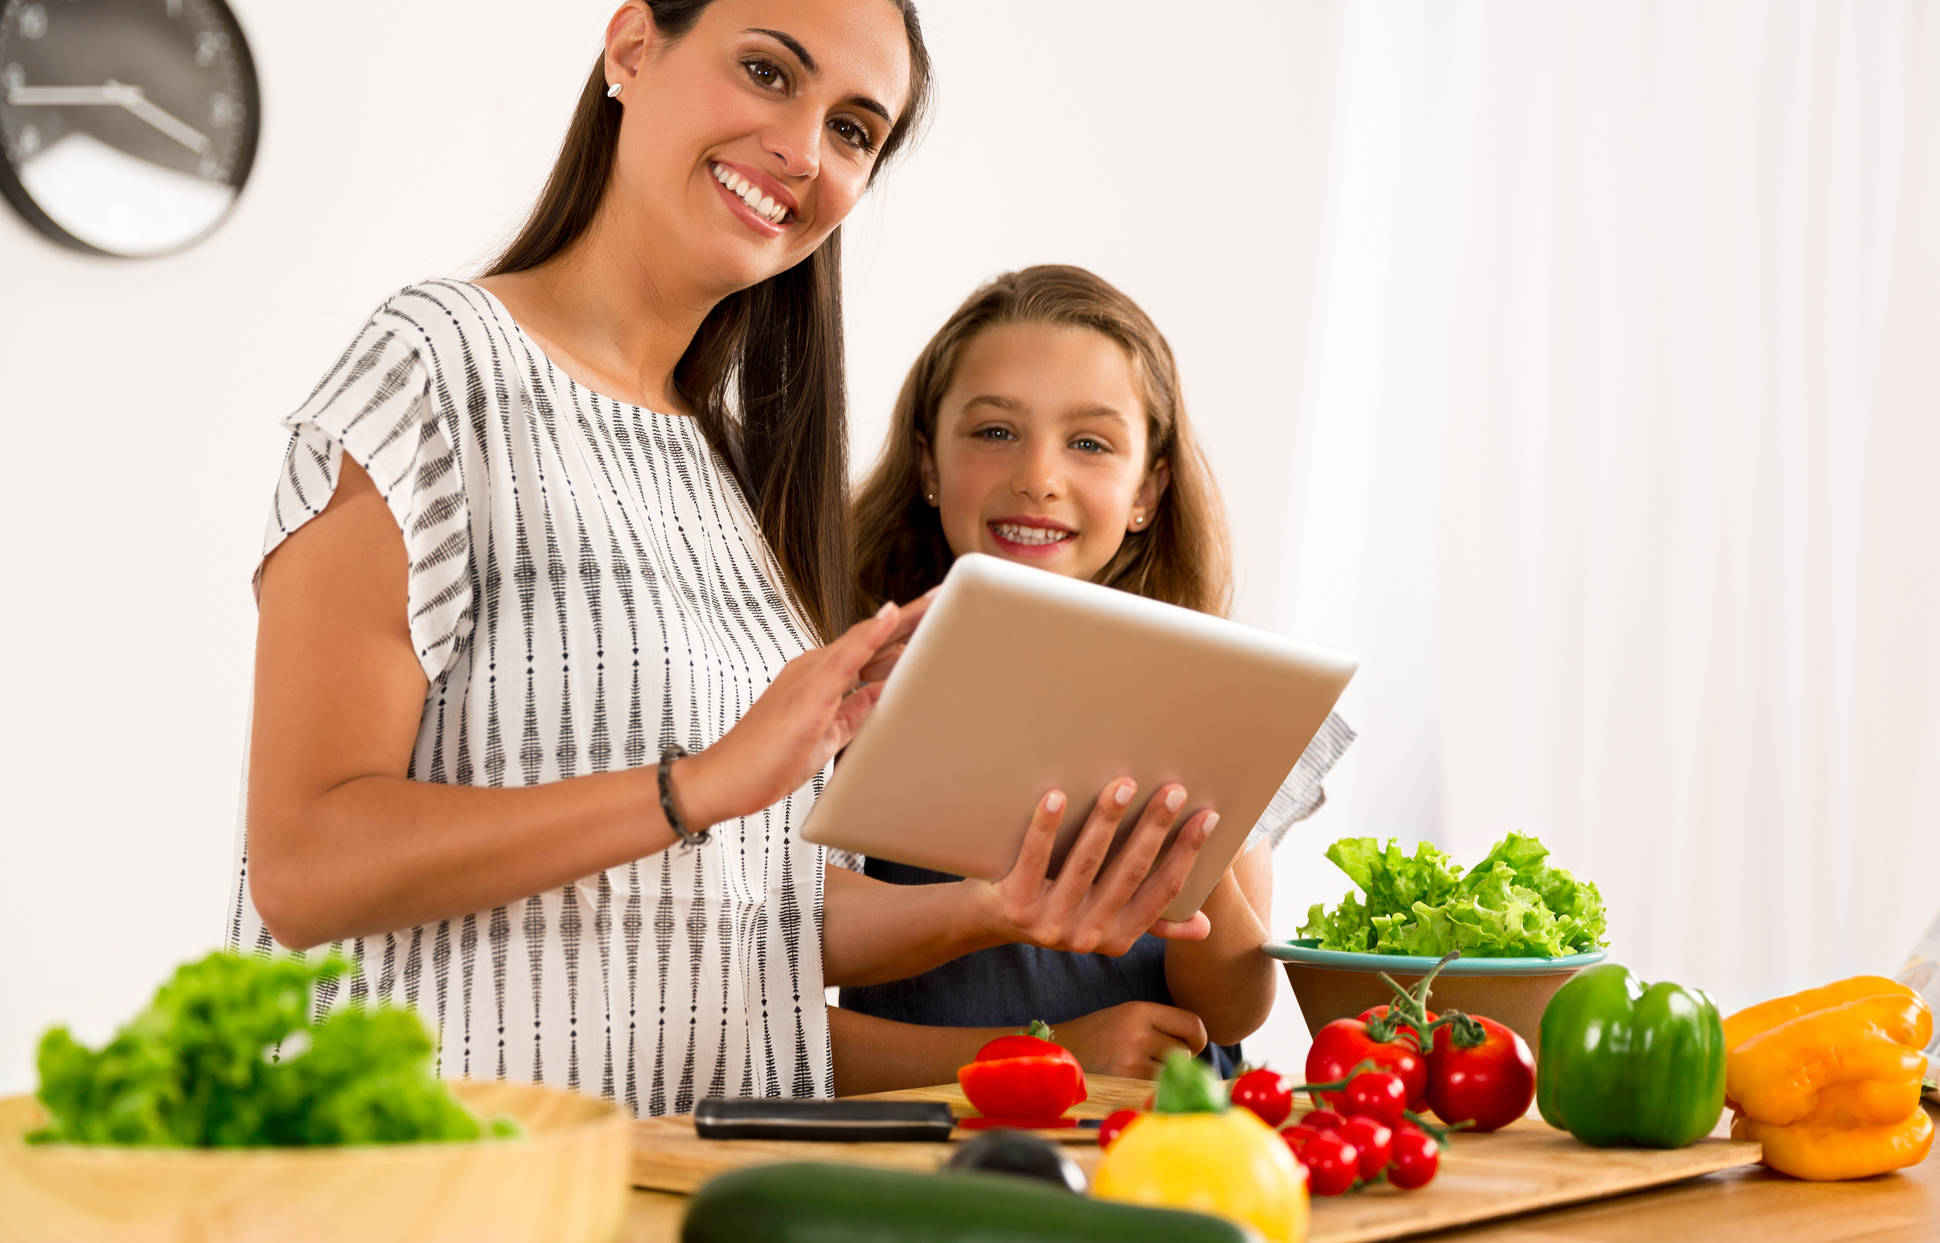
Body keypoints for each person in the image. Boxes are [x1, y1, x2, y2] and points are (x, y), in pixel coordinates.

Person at [227, 0, 1214, 1120]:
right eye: (766, 71)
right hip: (431, 1186)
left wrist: (1000, 901)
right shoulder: (442, 366)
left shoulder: (735, 477)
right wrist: (692, 788)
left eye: (854, 130)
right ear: (632, 48)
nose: (802, 149)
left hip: (668, 1194)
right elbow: (306, 867)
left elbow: (741, 910)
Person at [829, 266, 1354, 1084]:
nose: (1039, 475)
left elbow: (1235, 1005)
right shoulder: (850, 682)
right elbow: (779, 1012)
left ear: (1148, 490)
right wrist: (1054, 1057)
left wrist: (1194, 842)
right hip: (933, 1146)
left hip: (1165, 1142)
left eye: (1090, 443)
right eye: (996, 431)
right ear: (927, 464)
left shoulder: (1223, 687)